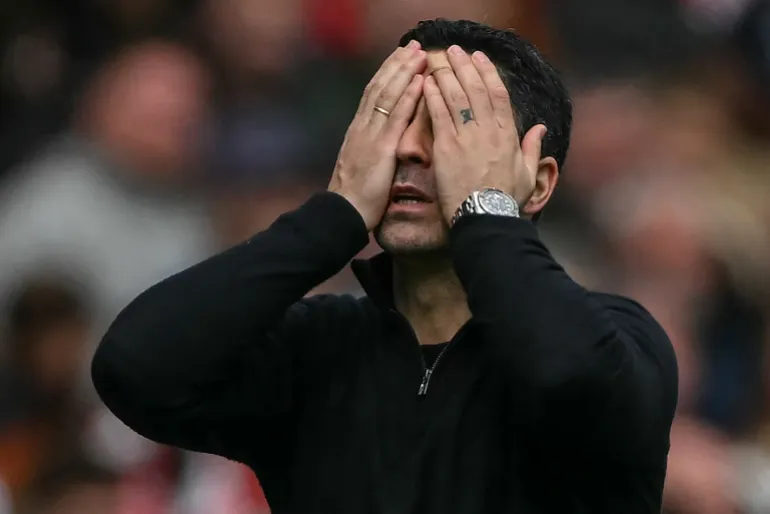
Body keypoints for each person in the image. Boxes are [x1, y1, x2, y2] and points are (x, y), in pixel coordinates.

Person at [91, 19, 678, 513]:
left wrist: (486, 208)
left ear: (537, 182)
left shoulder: (622, 339)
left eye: (454, 128)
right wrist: (336, 215)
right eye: (392, 122)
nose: (408, 150)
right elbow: (134, 368)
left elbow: (568, 374)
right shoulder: (314, 348)